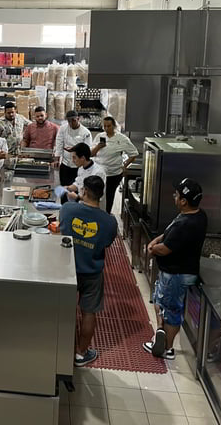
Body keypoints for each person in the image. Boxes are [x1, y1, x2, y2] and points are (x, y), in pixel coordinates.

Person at [144, 179, 207, 361]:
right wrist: (157, 240)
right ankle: (161, 333)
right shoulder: (198, 215)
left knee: (171, 310)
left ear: (184, 201)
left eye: (177, 195)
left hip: (176, 275)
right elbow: (168, 235)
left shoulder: (185, 224)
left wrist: (152, 248)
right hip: (178, 272)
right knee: (161, 302)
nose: (174, 197)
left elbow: (165, 249)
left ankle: (167, 348)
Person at [59, 175, 117, 367]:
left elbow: (62, 229)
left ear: (84, 191)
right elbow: (106, 243)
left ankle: (57, 346)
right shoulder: (109, 222)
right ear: (101, 195)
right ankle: (81, 354)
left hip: (67, 268)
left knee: (63, 308)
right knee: (89, 312)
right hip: (92, 271)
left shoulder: (68, 209)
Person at [92, 116, 138, 213]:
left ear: (114, 126)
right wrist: (98, 147)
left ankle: (107, 214)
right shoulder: (99, 136)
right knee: (97, 195)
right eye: (104, 126)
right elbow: (91, 154)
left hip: (114, 173)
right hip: (98, 173)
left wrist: (124, 165)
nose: (106, 128)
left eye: (109, 126)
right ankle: (96, 214)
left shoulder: (122, 138)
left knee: (110, 195)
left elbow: (133, 154)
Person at [54, 110, 92, 187]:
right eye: (69, 121)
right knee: (64, 187)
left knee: (77, 187)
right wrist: (57, 159)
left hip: (78, 166)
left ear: (78, 119)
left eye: (73, 121)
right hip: (65, 164)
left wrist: (73, 149)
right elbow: (59, 143)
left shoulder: (86, 132)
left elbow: (87, 150)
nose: (71, 123)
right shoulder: (63, 128)